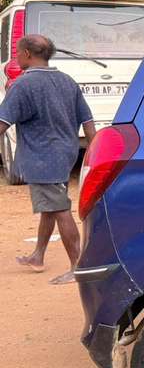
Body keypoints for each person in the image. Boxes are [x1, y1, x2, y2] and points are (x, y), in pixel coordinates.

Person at [0, 34, 95, 284]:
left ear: (28, 55)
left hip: (42, 158)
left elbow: (3, 122)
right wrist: (93, 154)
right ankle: (38, 255)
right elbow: (88, 121)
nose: (17, 57)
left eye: (18, 52)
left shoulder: (23, 85)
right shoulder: (67, 81)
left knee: (59, 207)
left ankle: (77, 267)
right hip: (65, 153)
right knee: (50, 206)